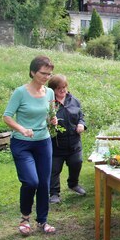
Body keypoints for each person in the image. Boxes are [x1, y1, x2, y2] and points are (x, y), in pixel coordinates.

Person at [3, 55, 57, 235]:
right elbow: (7, 117)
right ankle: (25, 218)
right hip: (22, 143)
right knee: (31, 181)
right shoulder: (20, 92)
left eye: (49, 74)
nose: (46, 77)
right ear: (33, 72)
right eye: (43, 73)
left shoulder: (49, 92)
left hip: (43, 142)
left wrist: (53, 120)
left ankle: (42, 221)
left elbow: (50, 114)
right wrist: (22, 129)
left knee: (44, 183)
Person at [47, 75, 87, 204]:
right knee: (54, 170)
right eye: (59, 88)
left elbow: (81, 116)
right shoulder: (49, 103)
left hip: (74, 143)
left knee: (77, 163)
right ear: (53, 89)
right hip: (56, 144)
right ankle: (54, 193)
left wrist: (81, 124)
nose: (63, 90)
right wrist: (50, 122)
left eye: (64, 87)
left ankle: (73, 184)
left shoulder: (74, 100)